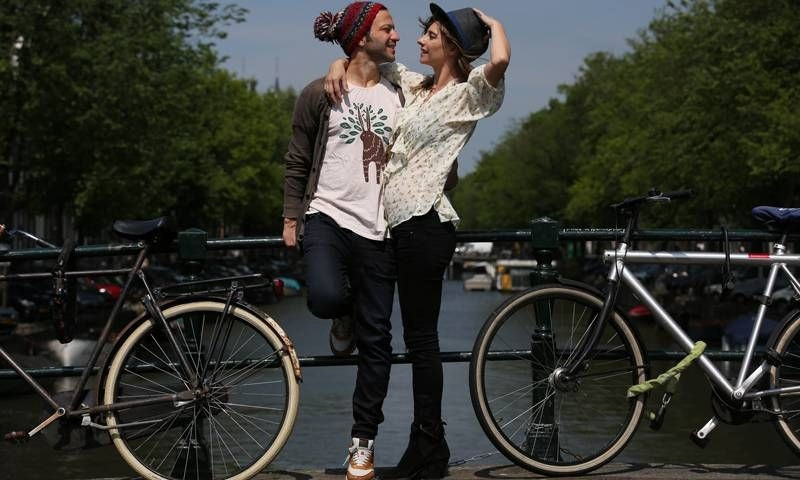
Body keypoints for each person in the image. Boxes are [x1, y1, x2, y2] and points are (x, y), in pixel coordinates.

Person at [325, 4, 509, 478]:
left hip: (426, 225)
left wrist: (491, 24)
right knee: (396, 333)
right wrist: (335, 64)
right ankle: (427, 447)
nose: (420, 40)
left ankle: (428, 444)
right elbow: (364, 60)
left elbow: (500, 61)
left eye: (431, 34)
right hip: (395, 226)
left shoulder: (468, 94)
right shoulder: (415, 86)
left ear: (452, 45)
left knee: (422, 339)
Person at [281, 3, 402, 480]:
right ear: (361, 37)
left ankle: (362, 442)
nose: (396, 36)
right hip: (326, 216)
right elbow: (297, 158)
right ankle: (343, 313)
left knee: (378, 341)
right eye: (387, 28)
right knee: (325, 297)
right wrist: (291, 217)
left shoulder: (401, 91)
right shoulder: (320, 93)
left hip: (380, 229)